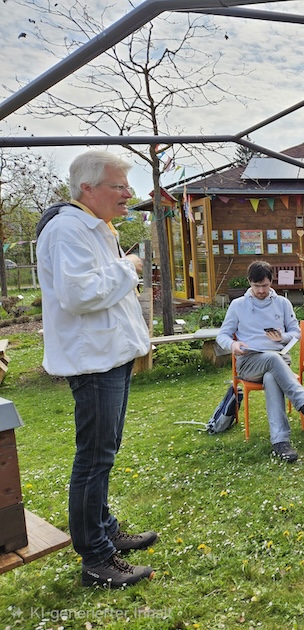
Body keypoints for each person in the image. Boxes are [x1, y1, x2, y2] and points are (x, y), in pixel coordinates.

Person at [35, 150, 157, 588]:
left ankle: (105, 530)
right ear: (88, 188)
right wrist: (129, 267)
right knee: (94, 459)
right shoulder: (68, 229)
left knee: (103, 453)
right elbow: (81, 295)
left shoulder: (93, 226)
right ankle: (97, 559)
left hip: (110, 356)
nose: (129, 193)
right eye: (119, 185)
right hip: (93, 362)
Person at [216, 261, 304, 462]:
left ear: (271, 282)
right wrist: (232, 346)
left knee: (271, 375)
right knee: (271, 358)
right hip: (249, 362)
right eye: (256, 286)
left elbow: (296, 333)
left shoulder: (282, 303)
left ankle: (280, 442)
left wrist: (282, 338)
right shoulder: (238, 305)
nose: (261, 290)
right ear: (249, 282)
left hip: (278, 361)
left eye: (265, 286)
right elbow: (222, 335)